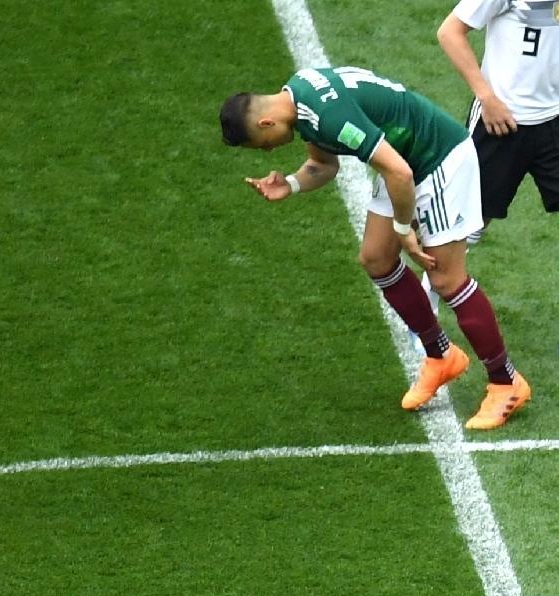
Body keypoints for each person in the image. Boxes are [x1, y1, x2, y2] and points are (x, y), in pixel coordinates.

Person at [219, 67, 532, 431]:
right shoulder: (300, 101)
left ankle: (505, 382)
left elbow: (399, 173)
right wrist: (289, 184)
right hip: (403, 162)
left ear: (266, 123)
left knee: (447, 280)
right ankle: (441, 355)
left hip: (437, 160)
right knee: (376, 258)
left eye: (263, 144)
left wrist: (404, 230)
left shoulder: (326, 116)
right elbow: (323, 164)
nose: (269, 150)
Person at [438, 0, 559, 367]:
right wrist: (486, 96)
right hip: (501, 121)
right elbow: (450, 32)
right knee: (465, 228)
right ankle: (424, 322)